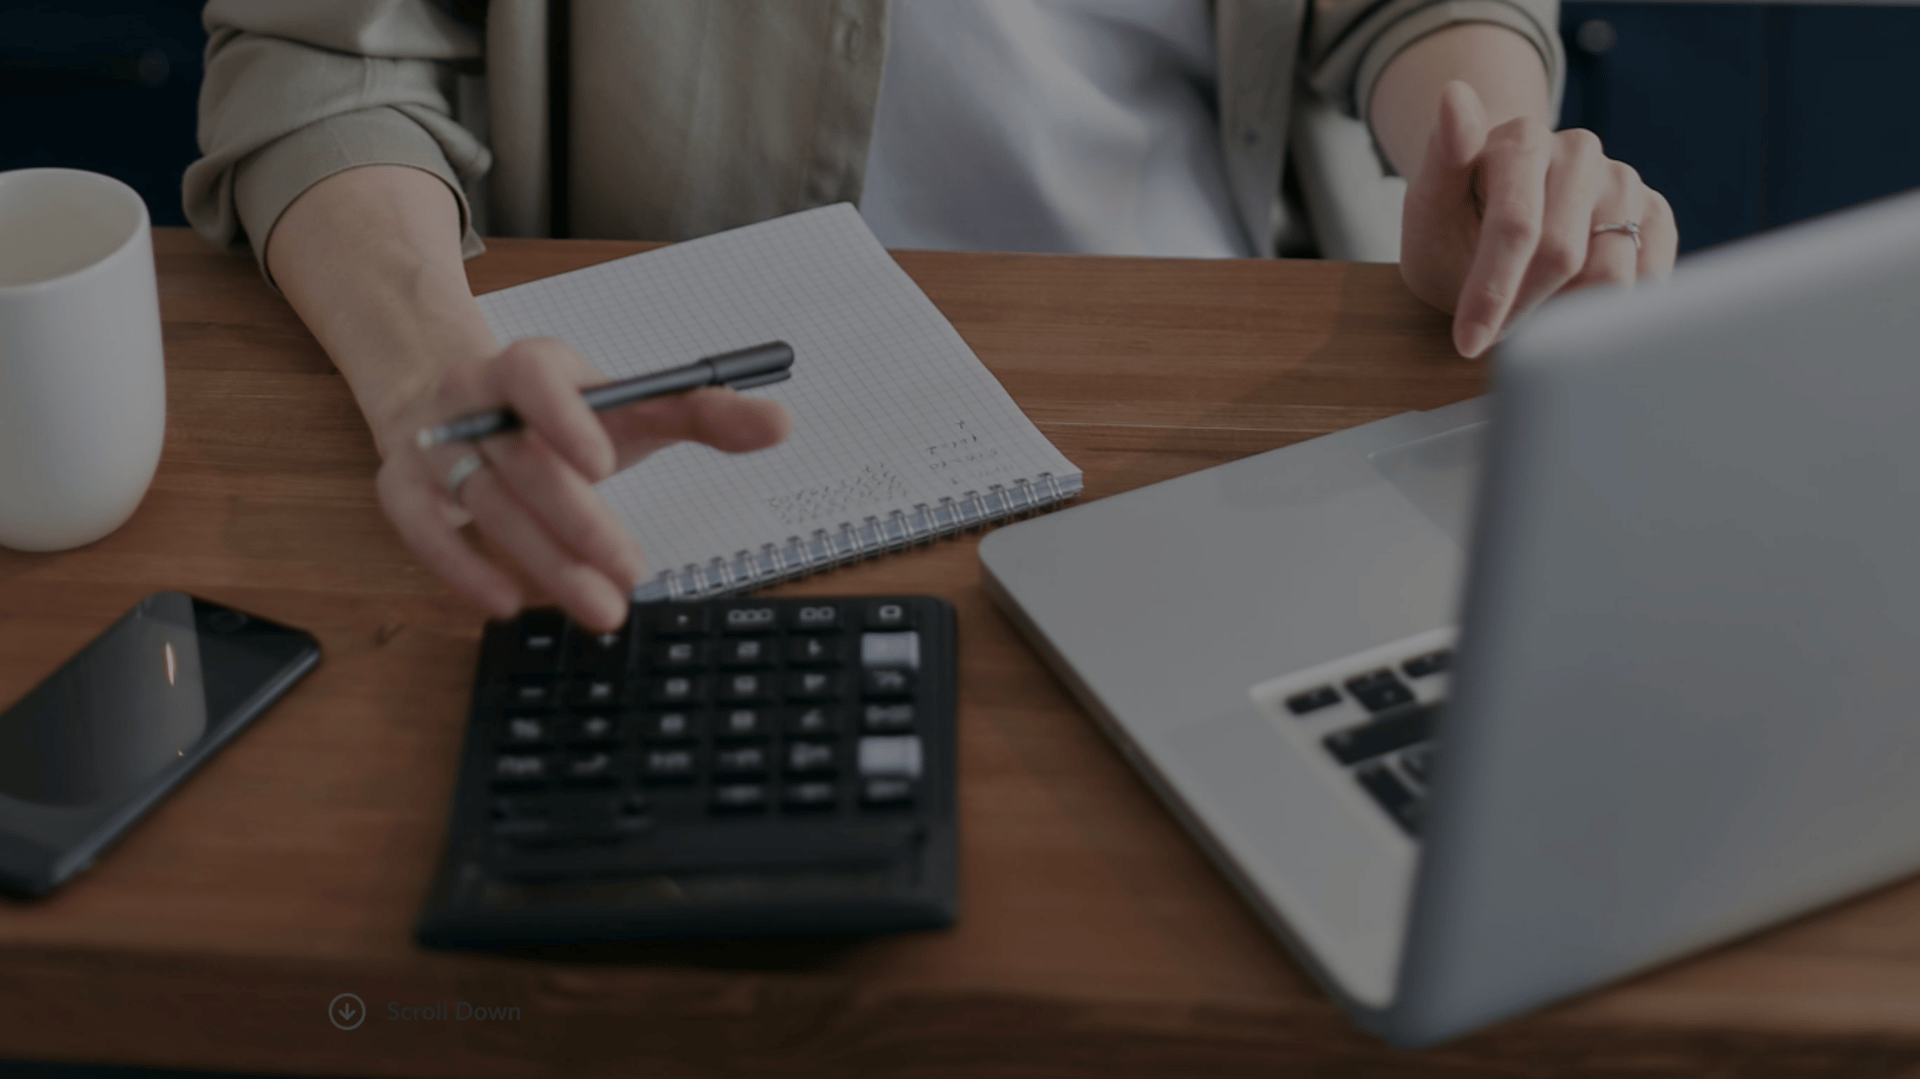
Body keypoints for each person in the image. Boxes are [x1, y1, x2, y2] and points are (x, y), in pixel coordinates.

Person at [186, 0, 1676, 634]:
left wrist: (1483, 157)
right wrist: (427, 369)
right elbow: (323, 54)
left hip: (1221, 403)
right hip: (681, 463)